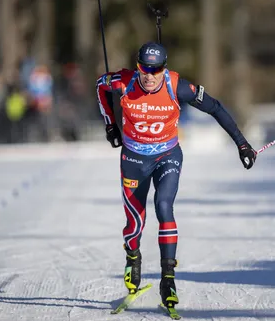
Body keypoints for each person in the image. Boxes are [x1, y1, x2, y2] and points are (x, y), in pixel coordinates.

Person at [96, 42, 257, 308]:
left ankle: (167, 278)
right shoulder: (123, 82)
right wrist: (110, 125)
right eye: (144, 68)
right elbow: (100, 86)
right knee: (135, 223)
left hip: (167, 156)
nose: (149, 75)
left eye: (155, 69)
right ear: (138, 67)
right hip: (134, 159)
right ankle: (133, 256)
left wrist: (242, 144)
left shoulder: (176, 85)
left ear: (164, 68)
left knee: (164, 206)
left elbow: (215, 107)